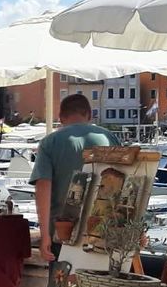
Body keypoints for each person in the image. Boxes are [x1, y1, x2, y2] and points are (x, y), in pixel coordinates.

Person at [30, 93, 119, 262]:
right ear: (89, 114)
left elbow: (43, 186)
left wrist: (44, 236)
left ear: (61, 117)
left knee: (64, 285)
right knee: (101, 286)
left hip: (63, 232)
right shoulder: (109, 137)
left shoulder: (51, 142)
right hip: (104, 231)